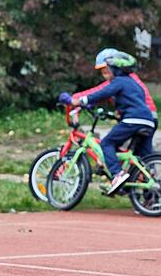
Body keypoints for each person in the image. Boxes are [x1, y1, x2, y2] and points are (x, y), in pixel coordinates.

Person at [60, 51, 156, 195]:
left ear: (115, 69)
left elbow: (101, 93)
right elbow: (133, 101)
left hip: (133, 120)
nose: (105, 74)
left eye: (107, 71)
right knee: (144, 159)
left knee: (107, 143)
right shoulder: (134, 83)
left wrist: (77, 101)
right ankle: (151, 196)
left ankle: (118, 175)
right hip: (148, 121)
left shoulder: (118, 82)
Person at [72, 48, 157, 121]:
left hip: (138, 117)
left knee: (110, 140)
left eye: (107, 71)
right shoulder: (131, 78)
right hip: (149, 116)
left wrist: (74, 98)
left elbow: (99, 91)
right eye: (103, 72)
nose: (105, 75)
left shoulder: (122, 80)